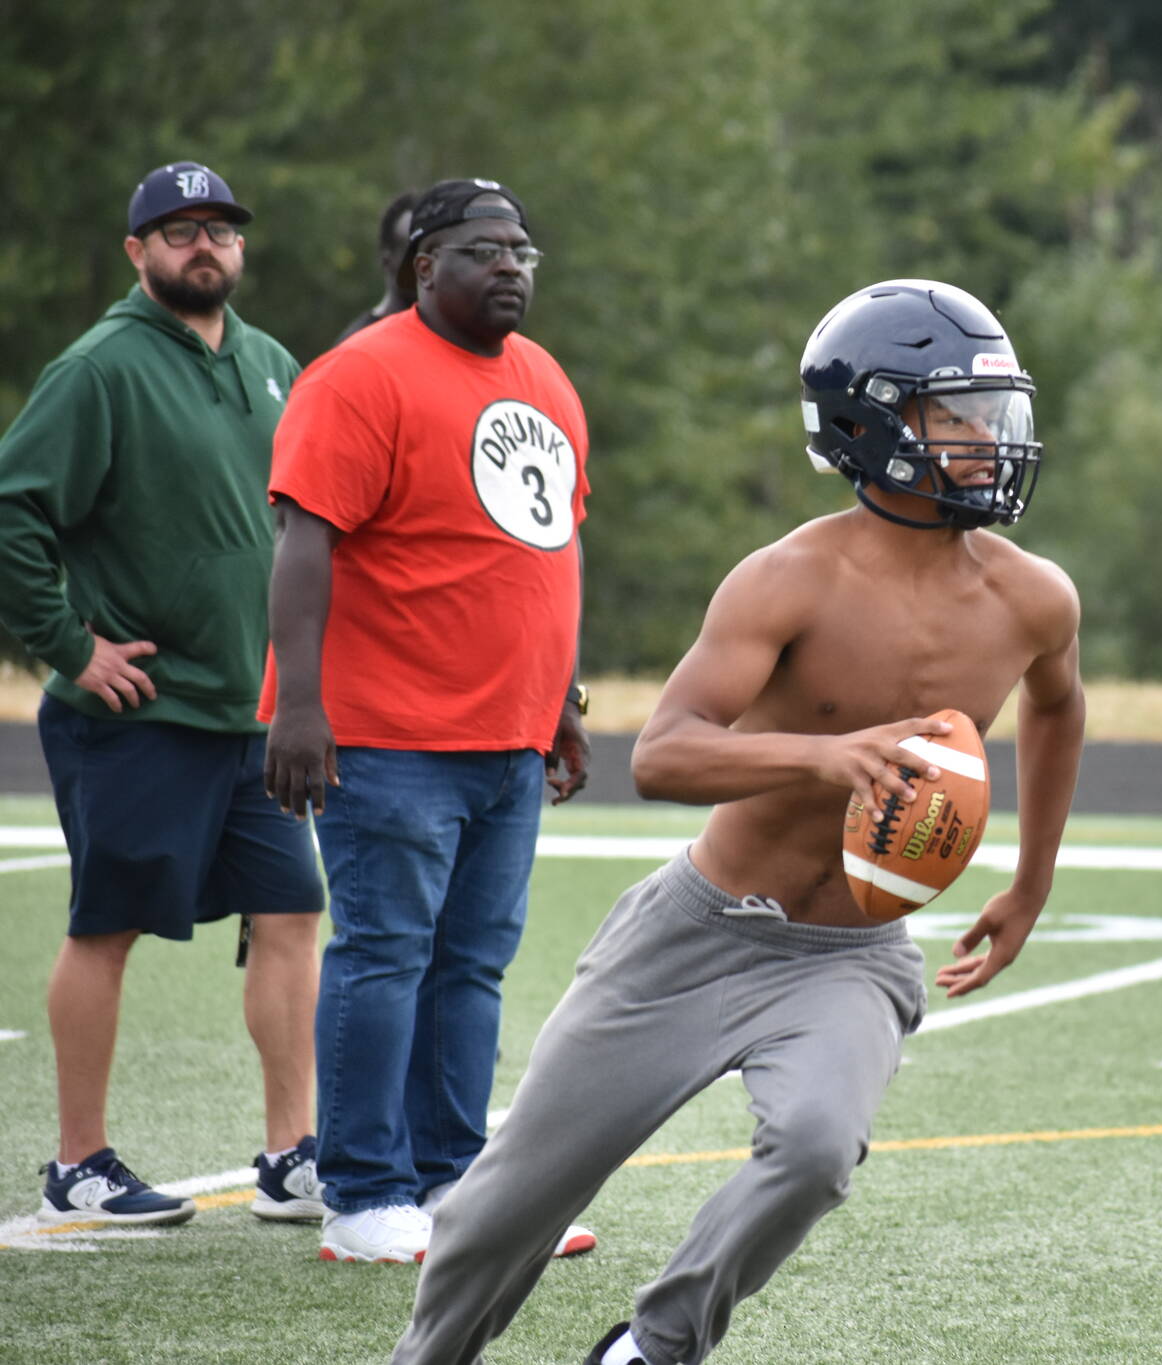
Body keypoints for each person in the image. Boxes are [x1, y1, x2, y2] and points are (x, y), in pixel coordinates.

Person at [388, 278, 1086, 1365]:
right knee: (503, 1207)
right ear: (871, 426)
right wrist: (827, 755)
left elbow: (1056, 706)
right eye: (956, 414)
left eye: (993, 412)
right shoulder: (786, 580)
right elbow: (661, 756)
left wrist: (1031, 880)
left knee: (813, 1151)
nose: (989, 440)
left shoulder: (1033, 597)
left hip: (847, 955)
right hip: (694, 932)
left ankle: (653, 1348)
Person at [262, 177, 595, 1265]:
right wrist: (300, 707)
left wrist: (562, 700)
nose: (512, 266)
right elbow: (304, 541)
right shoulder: (359, 375)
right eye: (486, 250)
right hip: (388, 733)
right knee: (386, 957)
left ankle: (458, 1182)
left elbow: (545, 553)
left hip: (505, 735)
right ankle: (363, 1194)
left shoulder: (544, 378)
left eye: (524, 251)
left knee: (471, 966)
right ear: (424, 267)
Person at [0, 160, 326, 1229]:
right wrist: (69, 646)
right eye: (178, 231)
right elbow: (13, 514)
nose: (204, 246)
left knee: (291, 914)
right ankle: (78, 1165)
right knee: (109, 928)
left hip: (251, 722)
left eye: (220, 230)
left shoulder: (273, 363)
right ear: (137, 251)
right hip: (135, 715)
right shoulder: (98, 369)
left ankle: (292, 1156)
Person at [333, 189, 419, 347]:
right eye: (413, 251)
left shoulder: (449, 338)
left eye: (432, 250)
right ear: (387, 260)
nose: (425, 263)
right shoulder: (357, 342)